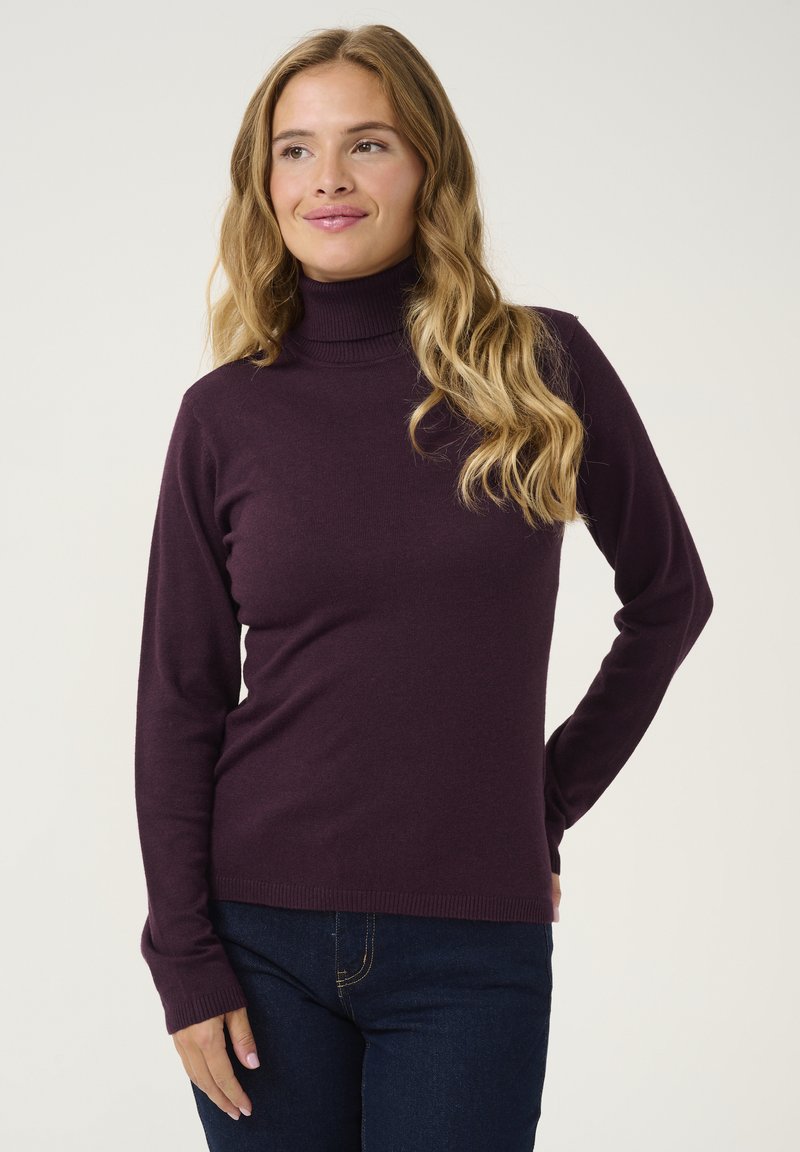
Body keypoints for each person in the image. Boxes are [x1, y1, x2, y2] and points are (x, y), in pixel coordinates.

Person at [134, 22, 714, 1151]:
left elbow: (669, 600)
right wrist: (183, 956)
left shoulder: (539, 367)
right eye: (295, 150)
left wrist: (542, 802)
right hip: (256, 939)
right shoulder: (225, 414)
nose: (328, 179)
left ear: (426, 166)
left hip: (470, 948)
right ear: (264, 183)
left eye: (368, 143)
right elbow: (179, 697)